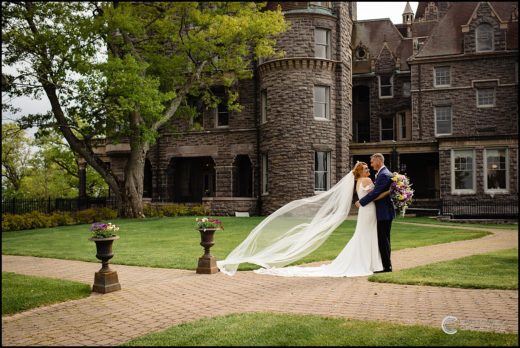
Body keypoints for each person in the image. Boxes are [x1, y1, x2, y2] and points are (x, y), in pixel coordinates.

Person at [217, 161, 390, 277]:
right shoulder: (366, 180)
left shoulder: (358, 181)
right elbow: (374, 194)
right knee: (365, 236)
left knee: (364, 236)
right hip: (368, 211)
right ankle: (369, 263)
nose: (368, 170)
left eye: (368, 168)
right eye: (366, 168)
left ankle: (371, 263)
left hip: (366, 212)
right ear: (361, 171)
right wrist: (391, 190)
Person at [355, 153, 395, 273]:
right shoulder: (382, 174)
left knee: (383, 239)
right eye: (368, 166)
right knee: (383, 239)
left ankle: (386, 266)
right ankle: (384, 265)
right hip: (379, 211)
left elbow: (375, 193)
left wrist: (361, 202)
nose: (371, 165)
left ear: (378, 161)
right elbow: (375, 193)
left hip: (383, 212)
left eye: (372, 162)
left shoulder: (383, 174)